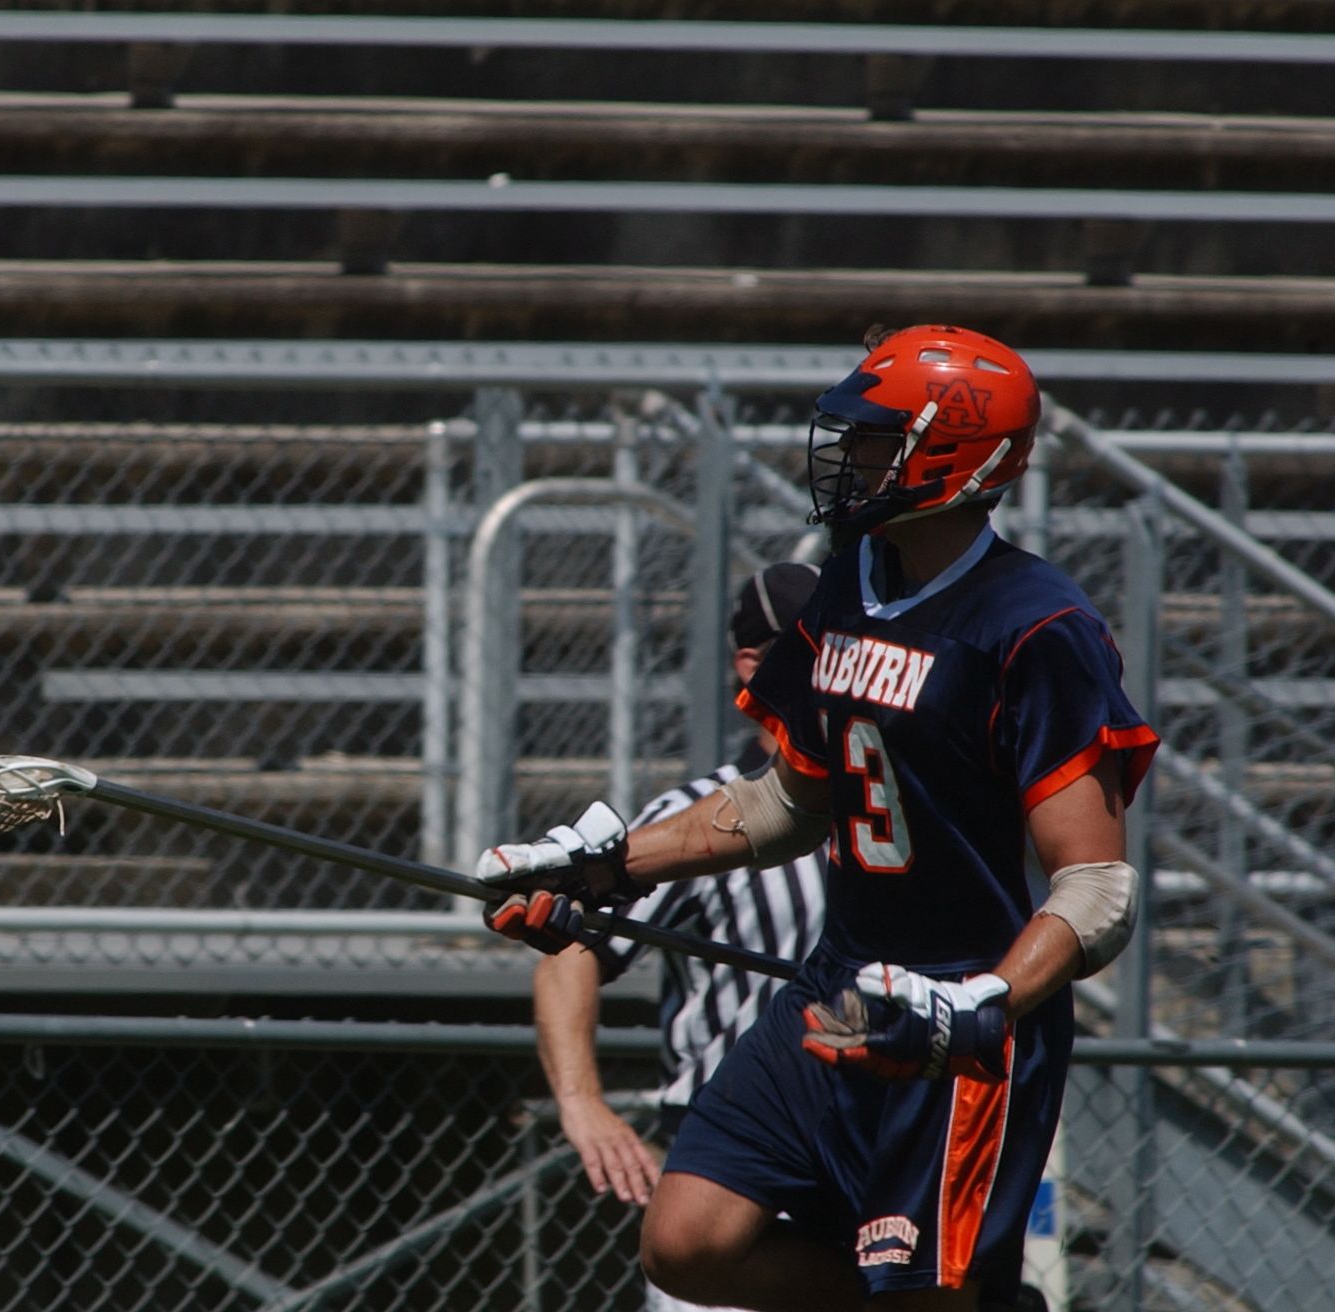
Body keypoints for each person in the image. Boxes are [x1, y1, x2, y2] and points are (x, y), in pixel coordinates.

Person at [479, 325, 1157, 1312]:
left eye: (876, 440)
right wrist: (610, 864)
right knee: (685, 1243)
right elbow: (784, 801)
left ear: (951, 454)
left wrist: (984, 1001)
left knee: (919, 1293)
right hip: (835, 984)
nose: (848, 459)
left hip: (954, 1017)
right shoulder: (847, 581)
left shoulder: (1034, 624)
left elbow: (1095, 888)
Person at [524, 562, 828, 1312]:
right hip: (735, 1176)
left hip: (870, 1159)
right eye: (822, 647)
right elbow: (571, 948)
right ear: (753, 665)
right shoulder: (698, 815)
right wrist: (581, 1102)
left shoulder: (896, 807)